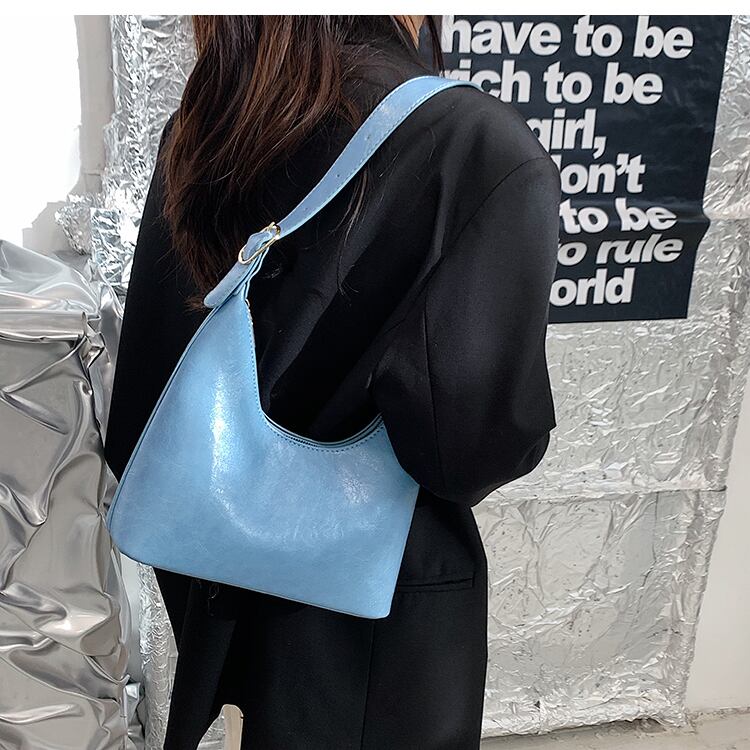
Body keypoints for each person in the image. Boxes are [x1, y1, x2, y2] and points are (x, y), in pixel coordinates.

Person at [104, 15, 560, 750]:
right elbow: (468, 453)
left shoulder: (211, 124)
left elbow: (141, 413)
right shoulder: (476, 150)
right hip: (374, 632)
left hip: (218, 598)